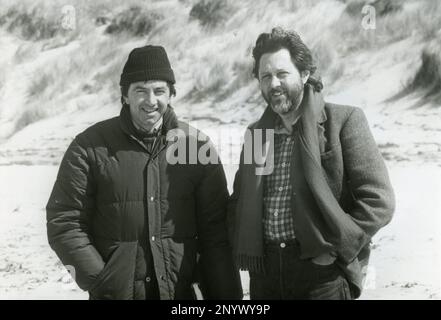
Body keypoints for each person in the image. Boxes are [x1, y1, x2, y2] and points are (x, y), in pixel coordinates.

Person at [46, 45, 242, 300]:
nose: (151, 101)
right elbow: (64, 221)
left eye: (159, 91)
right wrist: (104, 281)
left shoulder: (196, 147)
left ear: (171, 94)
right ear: (125, 95)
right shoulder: (89, 147)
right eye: (140, 90)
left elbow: (215, 232)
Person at [228, 27, 395, 300]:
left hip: (322, 275)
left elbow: (379, 201)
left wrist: (337, 248)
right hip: (265, 274)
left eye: (282, 74)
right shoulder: (256, 134)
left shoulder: (343, 121)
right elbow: (239, 201)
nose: (274, 84)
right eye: (265, 76)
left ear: (304, 74)